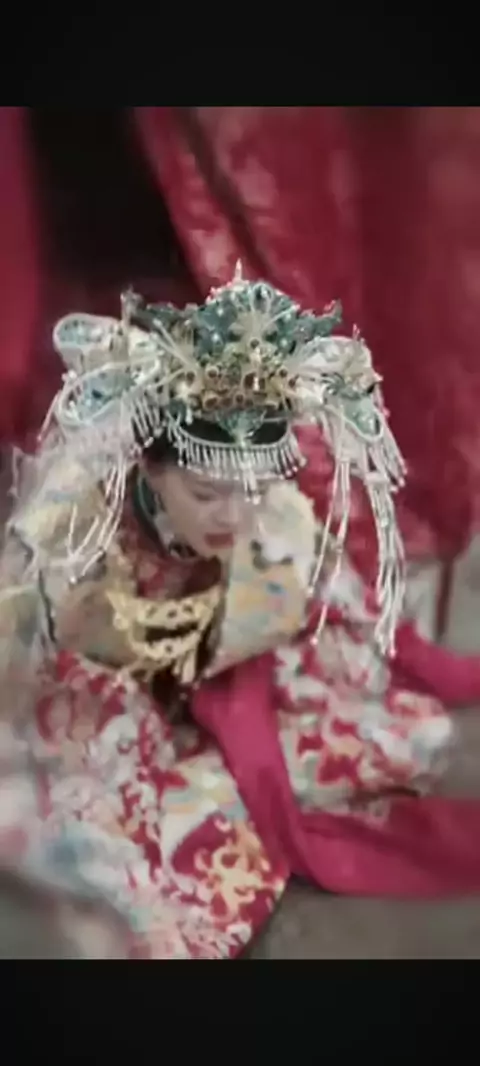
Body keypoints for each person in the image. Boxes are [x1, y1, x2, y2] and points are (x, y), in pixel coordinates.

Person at [1, 264, 480, 961]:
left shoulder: (265, 512)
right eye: (206, 492)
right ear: (150, 469)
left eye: (252, 489)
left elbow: (319, 588)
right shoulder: (79, 520)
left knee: (396, 733)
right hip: (108, 696)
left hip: (223, 674)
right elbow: (28, 636)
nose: (235, 514)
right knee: (92, 811)